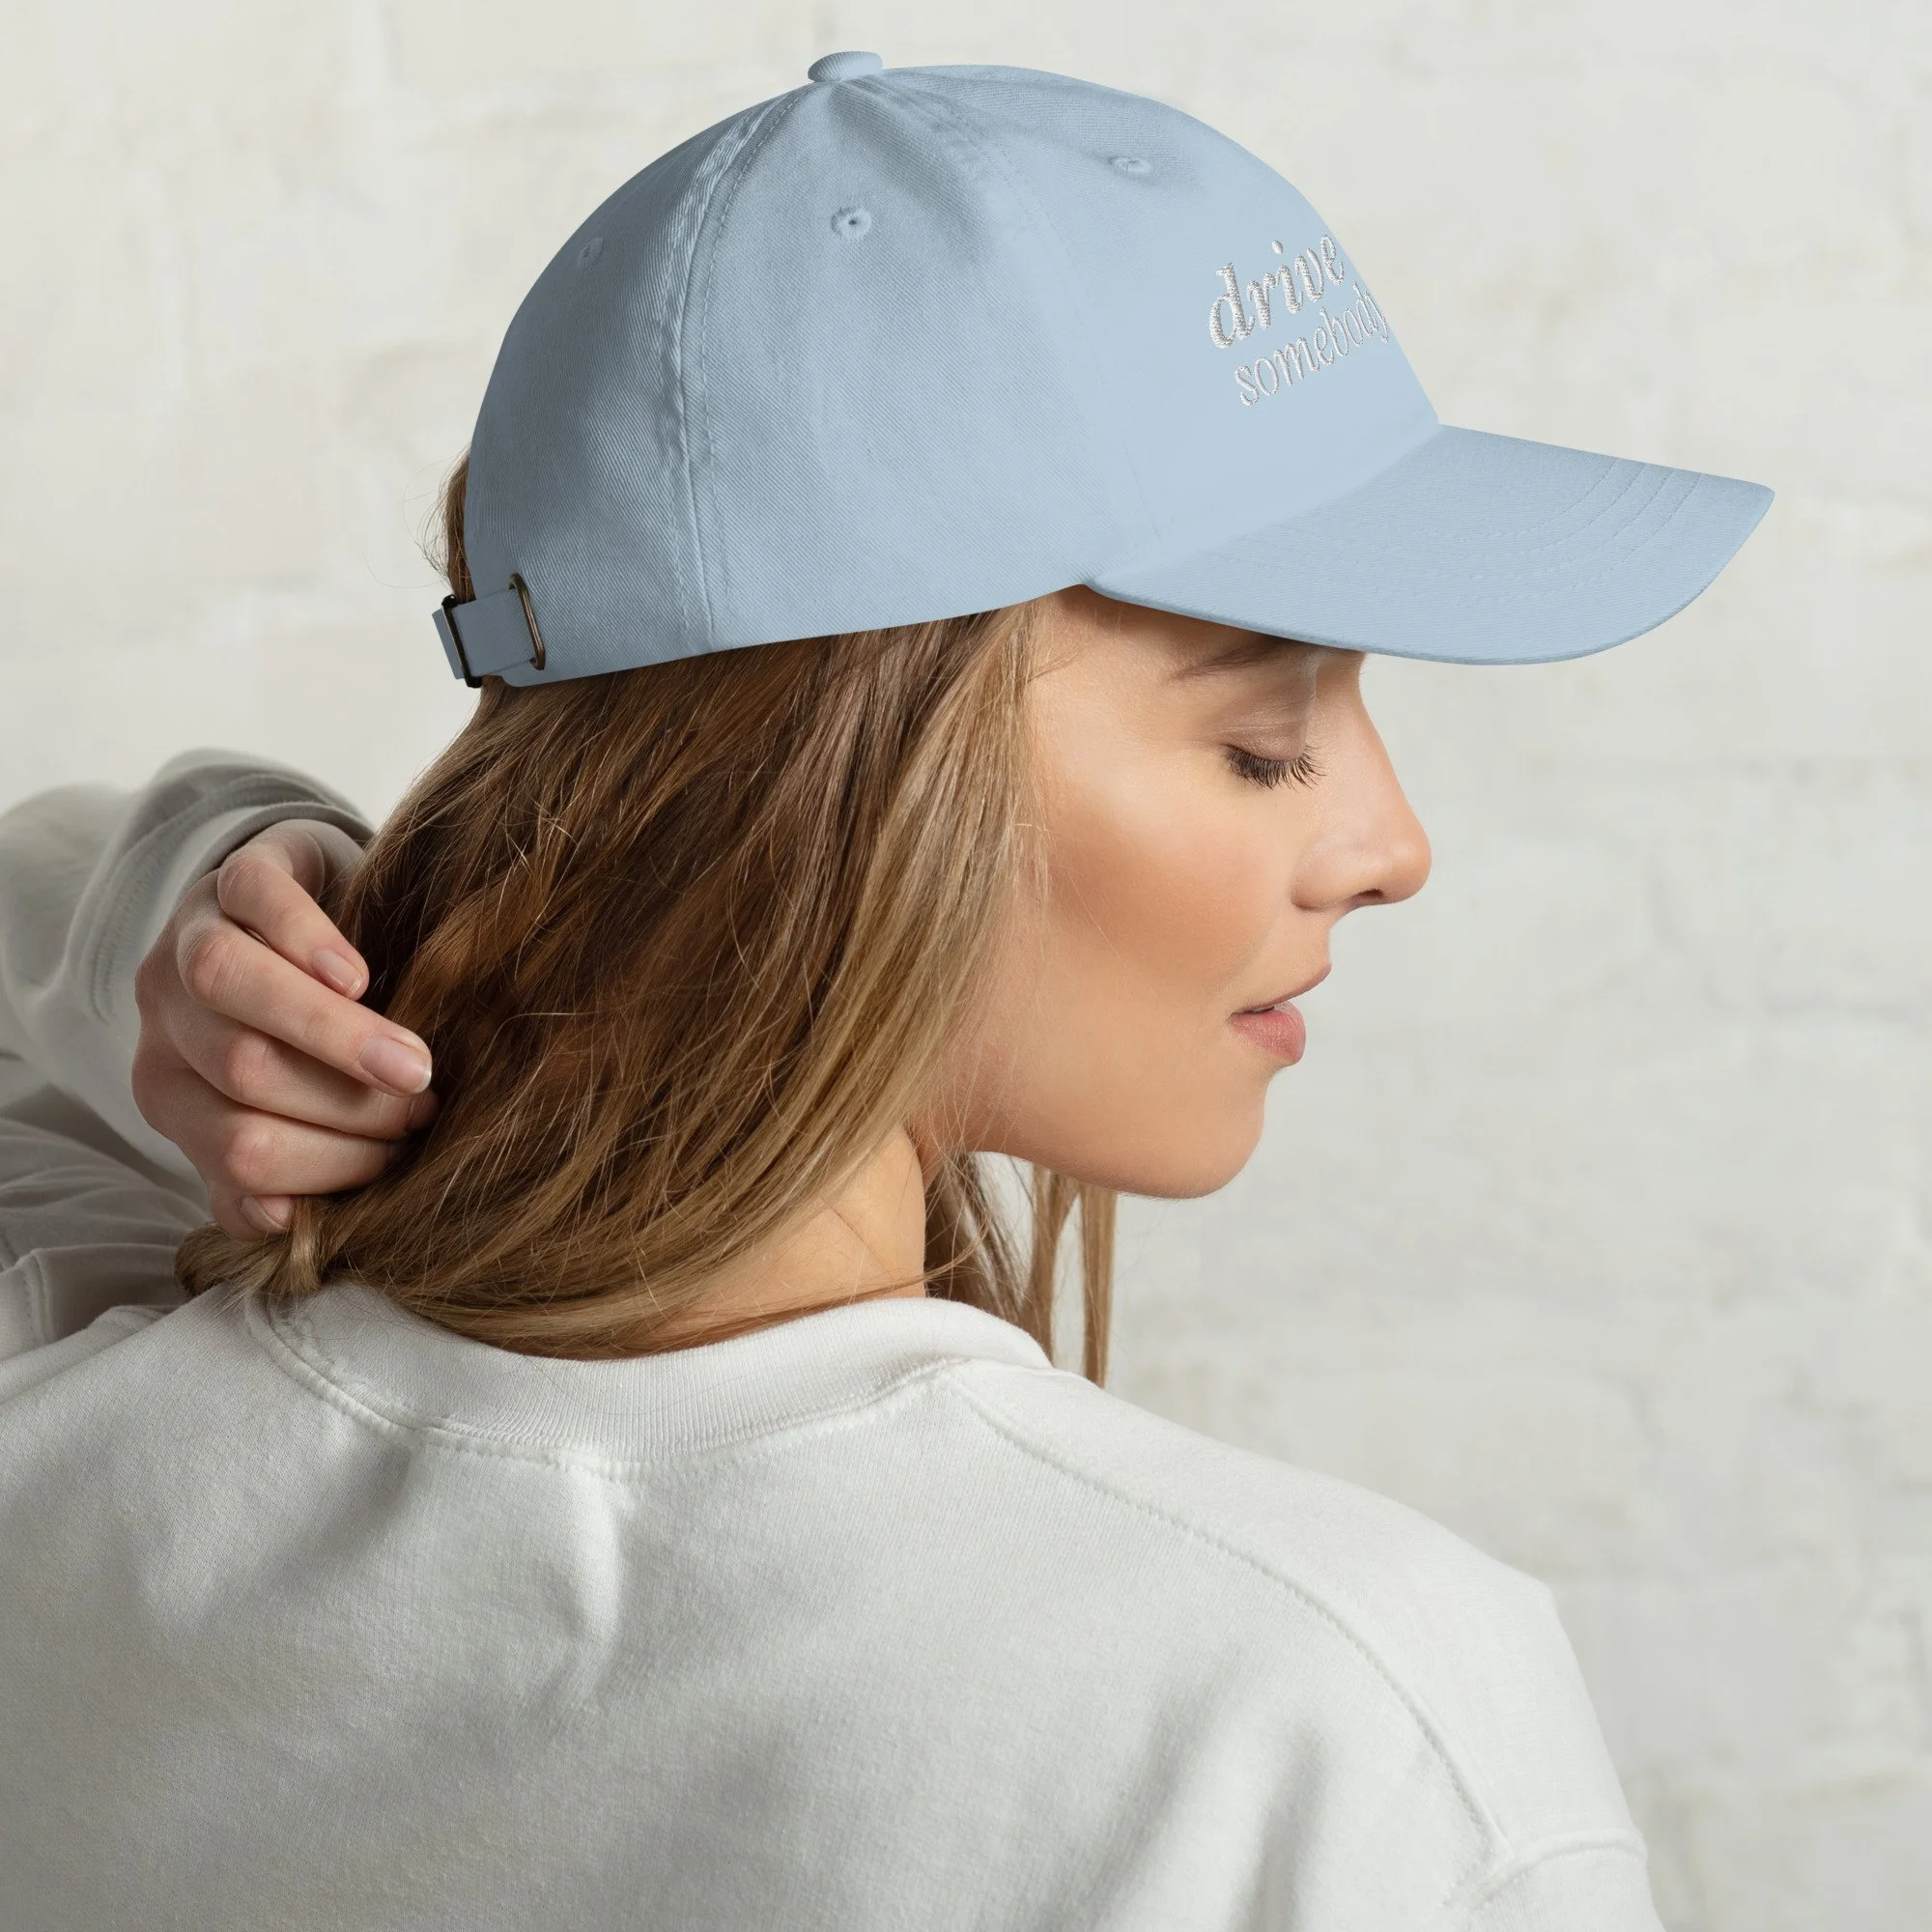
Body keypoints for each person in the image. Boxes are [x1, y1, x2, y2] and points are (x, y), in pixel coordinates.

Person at [0, 53, 1770, 1931]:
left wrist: (209, 893)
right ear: (839, 792)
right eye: (1263, 739)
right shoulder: (1329, 1729)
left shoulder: (73, 1434)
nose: (1391, 844)